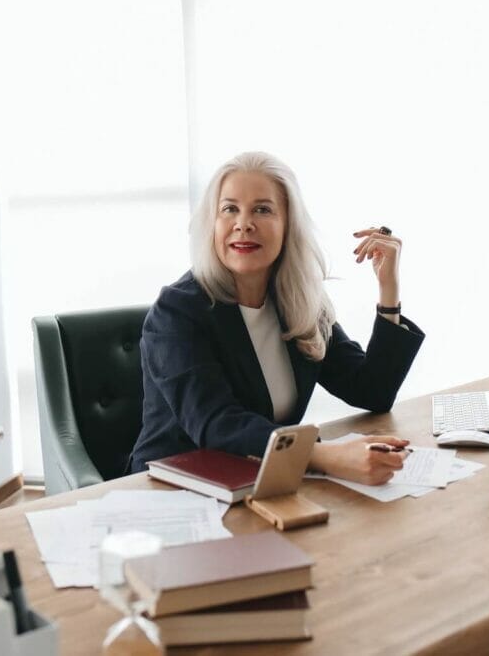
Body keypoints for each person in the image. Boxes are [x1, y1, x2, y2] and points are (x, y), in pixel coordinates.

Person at [128, 151, 425, 485]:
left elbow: (372, 391)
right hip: (174, 488)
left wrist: (389, 289)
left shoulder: (298, 300)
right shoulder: (177, 312)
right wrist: (324, 457)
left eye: (262, 209)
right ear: (212, 223)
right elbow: (216, 424)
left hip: (262, 480)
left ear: (288, 225)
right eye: (229, 209)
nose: (243, 223)